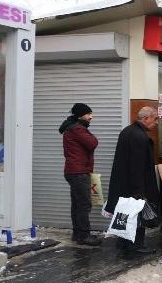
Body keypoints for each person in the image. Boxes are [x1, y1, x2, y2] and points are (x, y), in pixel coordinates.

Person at [105, 106, 160, 255]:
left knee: (125, 213)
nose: (156, 123)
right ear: (146, 118)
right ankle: (136, 245)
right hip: (135, 185)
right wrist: (139, 191)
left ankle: (122, 243)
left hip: (122, 184)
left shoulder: (127, 131)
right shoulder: (140, 136)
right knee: (136, 215)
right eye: (155, 119)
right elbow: (137, 166)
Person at [59, 103, 101, 246]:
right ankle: (84, 235)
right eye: (89, 114)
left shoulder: (73, 128)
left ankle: (78, 234)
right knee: (83, 204)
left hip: (74, 171)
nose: (91, 116)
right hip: (79, 172)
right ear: (80, 115)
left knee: (77, 204)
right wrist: (91, 136)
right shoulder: (77, 129)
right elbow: (93, 143)